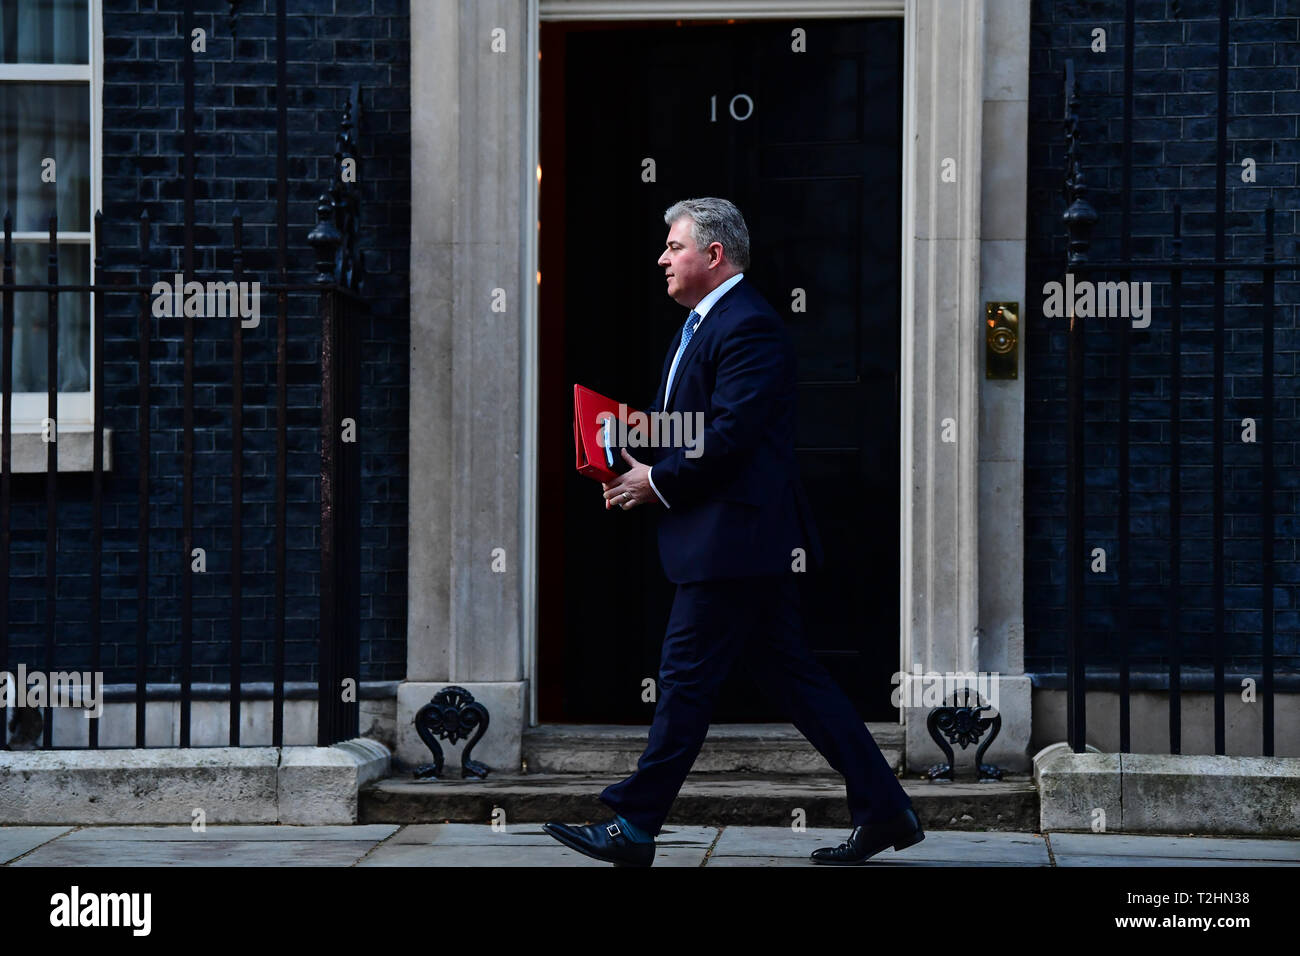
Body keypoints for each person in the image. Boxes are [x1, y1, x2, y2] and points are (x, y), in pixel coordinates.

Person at [543, 197, 923, 867]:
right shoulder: (701, 325)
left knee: (684, 680)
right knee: (794, 679)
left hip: (733, 543)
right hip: (733, 540)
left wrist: (655, 483)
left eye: (673, 246)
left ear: (713, 255)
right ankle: (886, 809)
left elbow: (732, 434)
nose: (661, 256)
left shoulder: (747, 326)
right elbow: (691, 425)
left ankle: (634, 826)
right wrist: (622, 443)